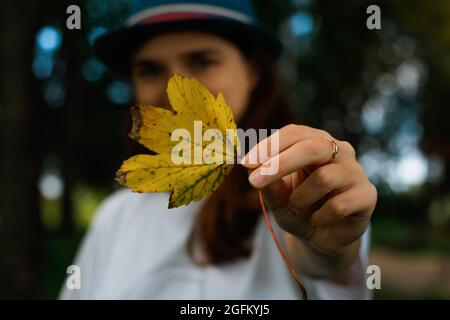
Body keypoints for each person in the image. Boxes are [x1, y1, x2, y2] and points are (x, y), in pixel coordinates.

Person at [59, 0, 377, 300]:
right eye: (150, 69)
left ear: (253, 72)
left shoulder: (293, 190)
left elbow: (323, 260)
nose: (174, 85)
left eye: (202, 60)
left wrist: (330, 247)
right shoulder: (114, 219)